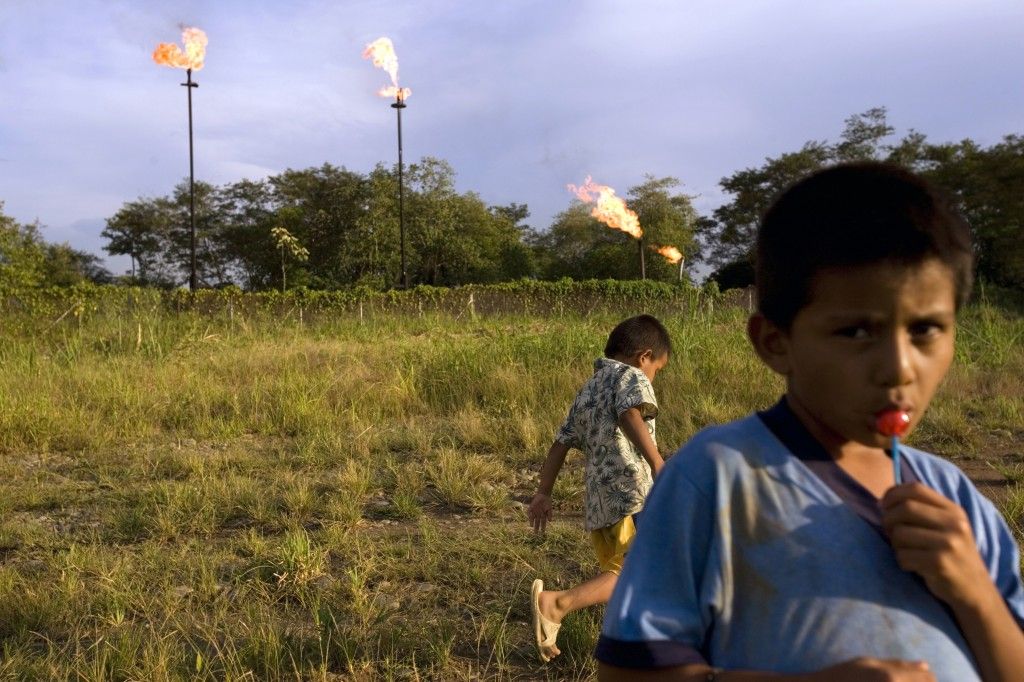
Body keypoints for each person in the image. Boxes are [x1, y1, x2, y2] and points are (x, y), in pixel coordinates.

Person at [596, 163, 1024, 681]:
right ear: (774, 343)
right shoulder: (714, 480)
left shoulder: (957, 503)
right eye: (855, 332)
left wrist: (973, 590)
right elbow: (629, 674)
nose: (899, 368)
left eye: (927, 329)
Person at [528, 314, 671, 663]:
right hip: (631, 493)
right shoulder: (630, 376)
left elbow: (561, 444)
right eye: (657, 369)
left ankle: (633, 651)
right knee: (646, 571)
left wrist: (543, 492)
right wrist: (657, 462)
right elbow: (630, 414)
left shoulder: (589, 389)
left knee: (629, 582)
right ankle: (557, 603)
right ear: (644, 356)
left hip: (600, 506)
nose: (653, 376)